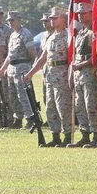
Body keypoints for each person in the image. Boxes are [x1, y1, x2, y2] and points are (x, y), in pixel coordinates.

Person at [24, 8, 72, 147]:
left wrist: (71, 75)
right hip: (50, 75)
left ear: (63, 19)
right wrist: (30, 73)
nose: (52, 20)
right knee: (50, 106)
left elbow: (71, 57)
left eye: (55, 18)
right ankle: (55, 135)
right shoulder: (50, 37)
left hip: (62, 74)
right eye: (51, 18)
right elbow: (42, 58)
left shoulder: (67, 36)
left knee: (63, 106)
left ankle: (68, 136)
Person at [0, 11, 37, 130]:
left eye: (12, 20)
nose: (10, 22)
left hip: (22, 67)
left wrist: (28, 67)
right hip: (12, 69)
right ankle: (18, 119)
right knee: (13, 96)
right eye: (8, 20)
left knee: (23, 95)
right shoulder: (12, 35)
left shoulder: (25, 33)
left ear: (19, 20)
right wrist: (2, 69)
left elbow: (32, 53)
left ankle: (30, 119)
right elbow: (10, 55)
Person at [70, 2, 97, 147]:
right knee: (79, 105)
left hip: (89, 73)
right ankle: (84, 135)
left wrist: (81, 65)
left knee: (91, 105)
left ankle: (95, 136)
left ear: (91, 13)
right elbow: (74, 56)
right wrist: (71, 74)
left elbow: (95, 56)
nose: (80, 16)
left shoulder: (93, 33)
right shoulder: (81, 32)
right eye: (79, 14)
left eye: (83, 13)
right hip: (78, 75)